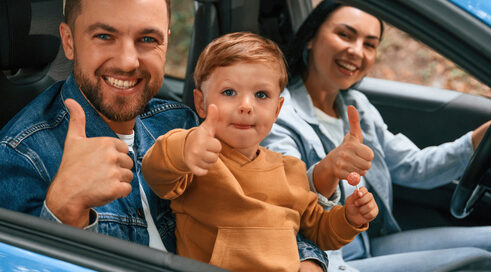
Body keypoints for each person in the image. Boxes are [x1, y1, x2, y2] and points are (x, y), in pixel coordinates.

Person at [0, 0, 330, 267]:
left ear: (166, 43)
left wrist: (309, 259)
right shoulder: (21, 157)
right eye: (104, 36)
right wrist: (63, 211)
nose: (129, 61)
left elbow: (263, 209)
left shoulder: (182, 121)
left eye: (147, 39)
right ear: (68, 42)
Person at [261, 1, 491, 271]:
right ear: (311, 38)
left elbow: (413, 167)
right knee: (484, 264)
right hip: (327, 259)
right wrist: (328, 170)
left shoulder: (357, 107)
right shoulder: (280, 118)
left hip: (369, 243)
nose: (357, 51)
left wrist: (481, 136)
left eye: (369, 44)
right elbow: (286, 203)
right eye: (345, 35)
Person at [141, 32, 378, 272]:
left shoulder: (291, 170)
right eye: (229, 92)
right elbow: (156, 172)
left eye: (261, 95)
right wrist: (186, 147)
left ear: (277, 109)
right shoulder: (198, 159)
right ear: (200, 103)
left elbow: (317, 230)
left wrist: (349, 219)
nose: (246, 106)